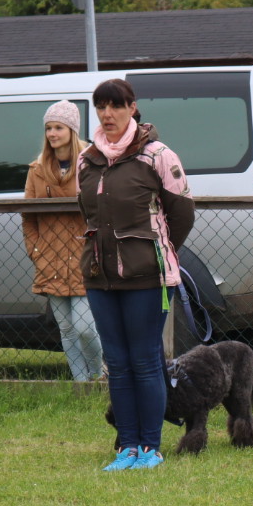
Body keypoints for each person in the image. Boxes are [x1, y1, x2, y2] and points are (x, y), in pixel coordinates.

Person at [79, 78, 195, 471]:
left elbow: (181, 214)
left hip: (148, 279)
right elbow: (90, 217)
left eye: (115, 105)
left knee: (146, 361)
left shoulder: (158, 154)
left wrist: (153, 253)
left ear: (133, 108)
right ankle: (126, 447)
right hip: (101, 278)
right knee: (117, 362)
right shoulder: (87, 160)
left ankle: (151, 448)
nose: (107, 114)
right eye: (100, 107)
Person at [23, 100, 103, 382]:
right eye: (48, 128)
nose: (52, 133)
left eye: (58, 127)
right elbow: (28, 217)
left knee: (84, 326)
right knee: (66, 329)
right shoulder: (37, 169)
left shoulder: (91, 165)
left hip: (84, 257)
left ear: (72, 129)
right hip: (50, 258)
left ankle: (99, 375)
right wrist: (36, 250)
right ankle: (80, 384)